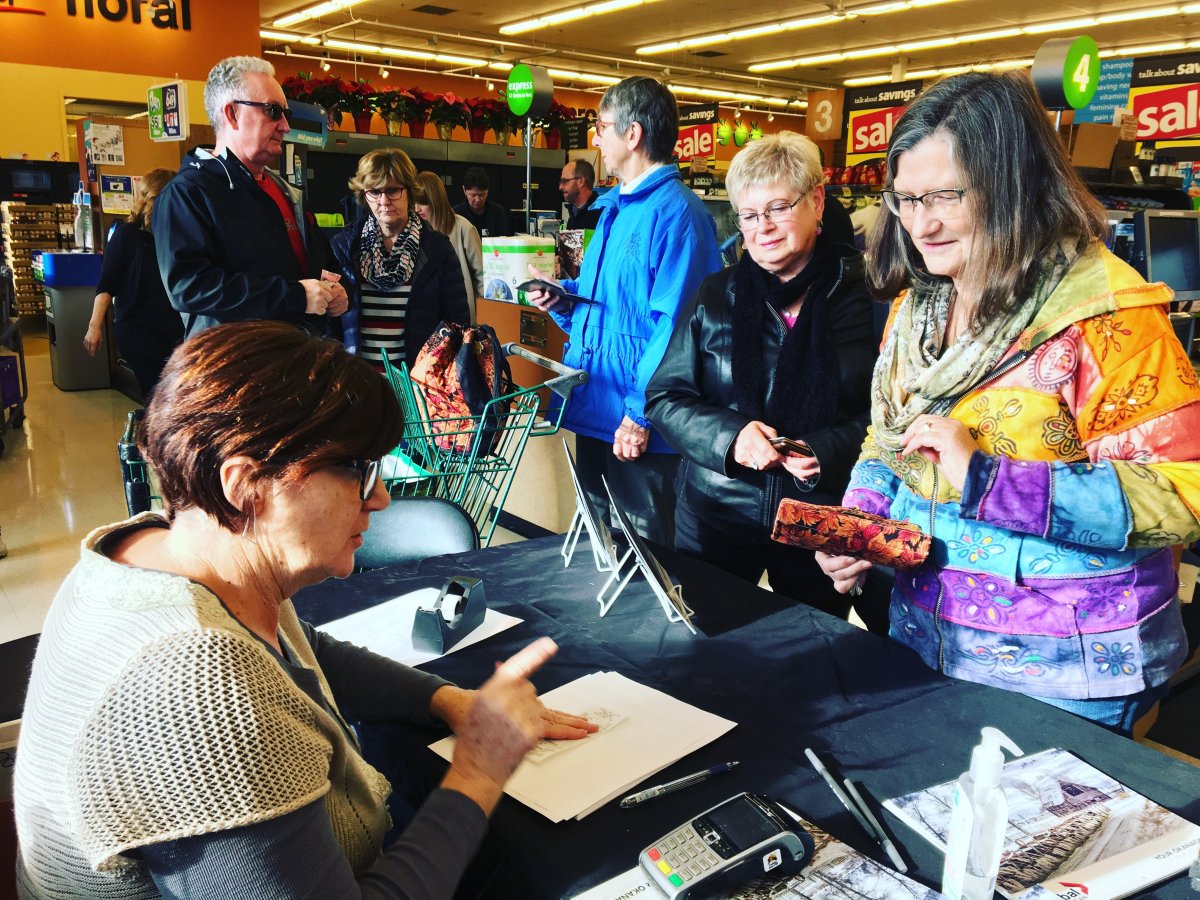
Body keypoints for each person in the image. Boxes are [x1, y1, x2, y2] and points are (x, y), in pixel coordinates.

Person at [13, 321, 596, 899]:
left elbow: (304, 653)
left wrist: (448, 700)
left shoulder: (162, 551)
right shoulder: (200, 692)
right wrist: (479, 770)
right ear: (245, 484)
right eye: (353, 469)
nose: (381, 497)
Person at [815, 71, 1200, 735]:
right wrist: (863, 526)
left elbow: (1183, 493)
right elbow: (889, 439)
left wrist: (989, 481)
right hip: (927, 637)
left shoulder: (1103, 313)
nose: (921, 223)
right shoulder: (918, 307)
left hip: (1067, 676)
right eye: (905, 199)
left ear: (1011, 186)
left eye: (944, 196)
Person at [645, 132, 881, 624]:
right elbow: (665, 397)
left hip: (821, 517)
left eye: (777, 208)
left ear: (816, 201)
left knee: (812, 652)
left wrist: (826, 449)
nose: (763, 228)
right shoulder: (717, 294)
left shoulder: (869, 299)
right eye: (749, 216)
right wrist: (731, 438)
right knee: (705, 641)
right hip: (715, 511)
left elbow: (890, 418)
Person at [527, 76, 722, 546]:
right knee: (600, 545)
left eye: (601, 126)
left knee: (644, 559)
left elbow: (676, 329)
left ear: (632, 135)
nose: (595, 138)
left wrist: (639, 413)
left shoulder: (678, 215)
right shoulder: (615, 209)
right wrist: (563, 300)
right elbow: (612, 306)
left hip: (638, 424)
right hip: (595, 403)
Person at [152, 56, 347, 338]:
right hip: (235, 367)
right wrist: (295, 295)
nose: (285, 126)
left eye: (285, 114)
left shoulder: (285, 191)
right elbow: (189, 287)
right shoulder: (188, 193)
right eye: (273, 111)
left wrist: (339, 290)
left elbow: (321, 261)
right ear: (231, 114)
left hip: (295, 357)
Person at [331, 149, 470, 373]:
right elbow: (331, 325)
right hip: (357, 382)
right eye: (374, 192)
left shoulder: (437, 249)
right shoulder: (345, 247)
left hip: (417, 386)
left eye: (393, 190)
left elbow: (458, 323)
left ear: (409, 192)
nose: (384, 201)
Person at [83, 168, 183, 400]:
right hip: (139, 330)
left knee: (170, 396)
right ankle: (152, 434)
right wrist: (94, 325)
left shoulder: (177, 234)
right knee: (158, 396)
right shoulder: (128, 234)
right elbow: (108, 283)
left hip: (174, 330)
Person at [414, 169, 484, 322]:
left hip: (460, 316)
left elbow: (482, 276)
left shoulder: (463, 228)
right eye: (414, 202)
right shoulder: (413, 232)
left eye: (423, 202)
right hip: (426, 316)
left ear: (435, 200)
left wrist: (481, 320)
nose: (417, 208)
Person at [453, 166, 512, 238]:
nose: (477, 199)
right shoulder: (457, 214)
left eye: (482, 195)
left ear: (487, 191)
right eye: (473, 195)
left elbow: (504, 240)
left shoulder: (497, 212)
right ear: (464, 190)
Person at [560, 158, 601, 230]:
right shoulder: (573, 214)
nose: (560, 187)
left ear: (581, 181)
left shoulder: (601, 216)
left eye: (565, 181)